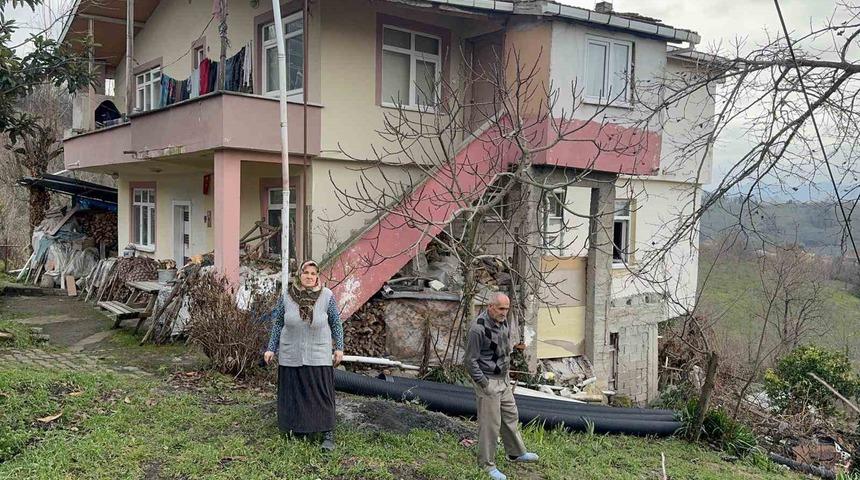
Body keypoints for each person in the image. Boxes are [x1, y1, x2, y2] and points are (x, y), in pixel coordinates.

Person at [263, 260, 344, 451]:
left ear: (318, 276)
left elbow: (336, 323)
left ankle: (327, 433)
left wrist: (339, 347)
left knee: (321, 394)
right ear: (300, 275)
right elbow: (278, 324)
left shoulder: (326, 296)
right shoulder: (287, 297)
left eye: (313, 273)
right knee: (294, 393)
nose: (309, 276)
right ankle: (297, 429)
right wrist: (270, 348)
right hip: (291, 352)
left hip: (318, 353)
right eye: (306, 273)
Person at [464, 292, 539, 480]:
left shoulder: (502, 321)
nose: (504, 312)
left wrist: (506, 376)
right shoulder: (478, 329)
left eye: (506, 308)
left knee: (510, 416)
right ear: (490, 306)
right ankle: (486, 465)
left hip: (502, 380)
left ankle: (515, 453)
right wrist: (484, 383)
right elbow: (470, 361)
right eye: (500, 308)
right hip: (488, 380)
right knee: (490, 425)